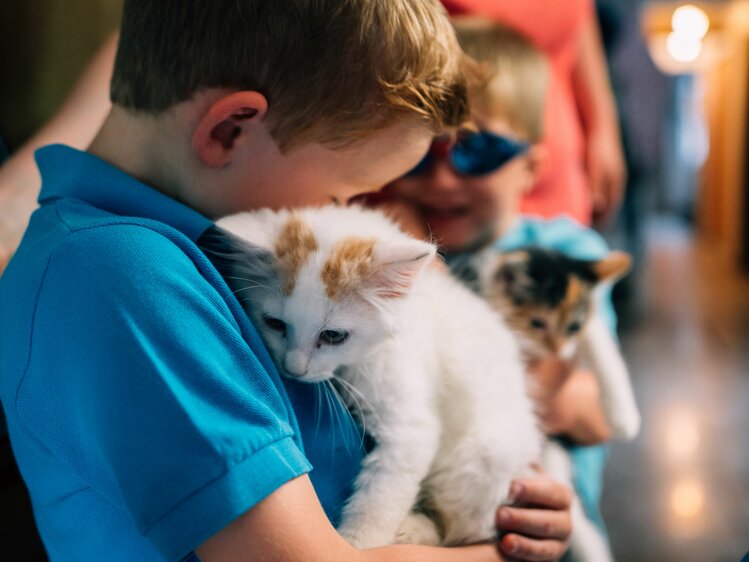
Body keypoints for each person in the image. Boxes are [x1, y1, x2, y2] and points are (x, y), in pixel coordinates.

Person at [0, 2, 573, 561]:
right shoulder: (121, 276)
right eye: (339, 194)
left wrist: (506, 509)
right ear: (228, 131)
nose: (343, 214)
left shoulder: (185, 250)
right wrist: (502, 554)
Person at [377, 17, 619, 547]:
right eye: (421, 153)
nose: (443, 180)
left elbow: (593, 412)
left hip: (546, 521)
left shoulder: (567, 255)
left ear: (532, 167)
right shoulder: (384, 240)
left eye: (478, 151)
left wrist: (428, 269)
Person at [439, 0, 626, 228]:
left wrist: (602, 123)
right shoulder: (438, 174)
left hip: (554, 186)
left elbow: (579, 19)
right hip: (432, 201)